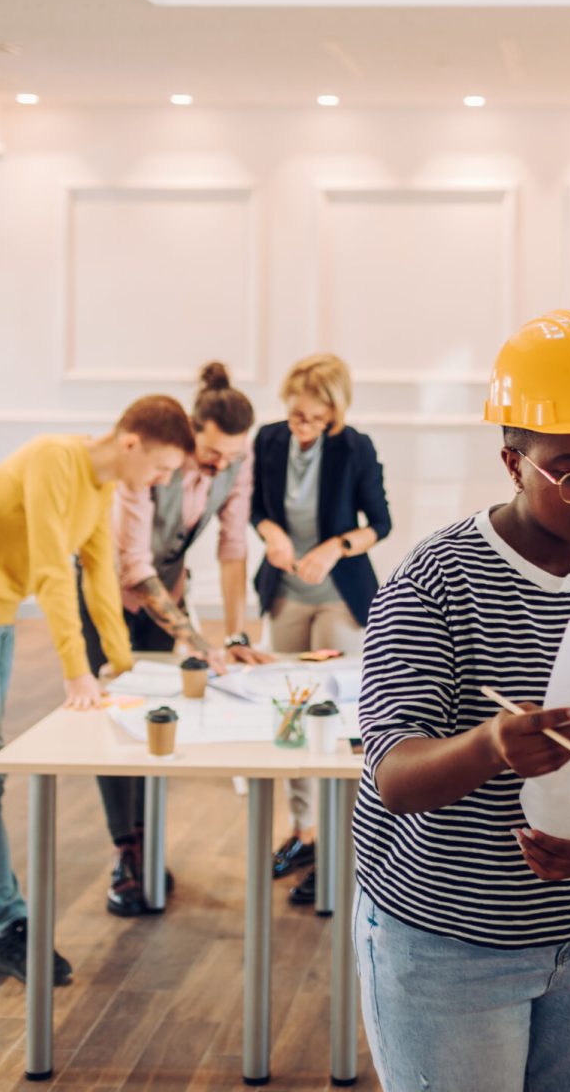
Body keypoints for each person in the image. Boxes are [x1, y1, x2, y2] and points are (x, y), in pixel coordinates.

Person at [352, 309, 570, 1092]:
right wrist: (491, 747)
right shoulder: (431, 582)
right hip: (444, 945)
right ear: (511, 461)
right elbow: (393, 777)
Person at [0, 396, 195, 985]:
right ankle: (12, 926)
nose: (163, 480)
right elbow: (49, 571)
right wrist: (76, 671)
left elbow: (97, 578)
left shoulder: (100, 489)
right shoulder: (51, 460)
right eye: (163, 466)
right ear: (130, 444)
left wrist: (122, 663)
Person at [78, 361, 272, 917]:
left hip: (165, 594)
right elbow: (133, 565)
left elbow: (233, 547)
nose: (221, 466)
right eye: (212, 456)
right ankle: (128, 852)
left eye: (233, 457)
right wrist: (196, 640)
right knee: (114, 714)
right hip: (105, 599)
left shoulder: (237, 456)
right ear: (190, 437)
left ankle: (149, 842)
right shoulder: (152, 467)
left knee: (156, 714)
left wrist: (233, 635)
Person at [251, 352, 391, 903]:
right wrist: (272, 535)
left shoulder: (355, 447)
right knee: (290, 715)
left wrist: (335, 547)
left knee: (330, 716)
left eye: (311, 417)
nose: (300, 425)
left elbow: (380, 523)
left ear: (333, 411)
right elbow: (257, 509)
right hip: (285, 591)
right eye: (294, 415)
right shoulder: (268, 441)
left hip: (339, 595)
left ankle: (342, 848)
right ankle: (303, 833)